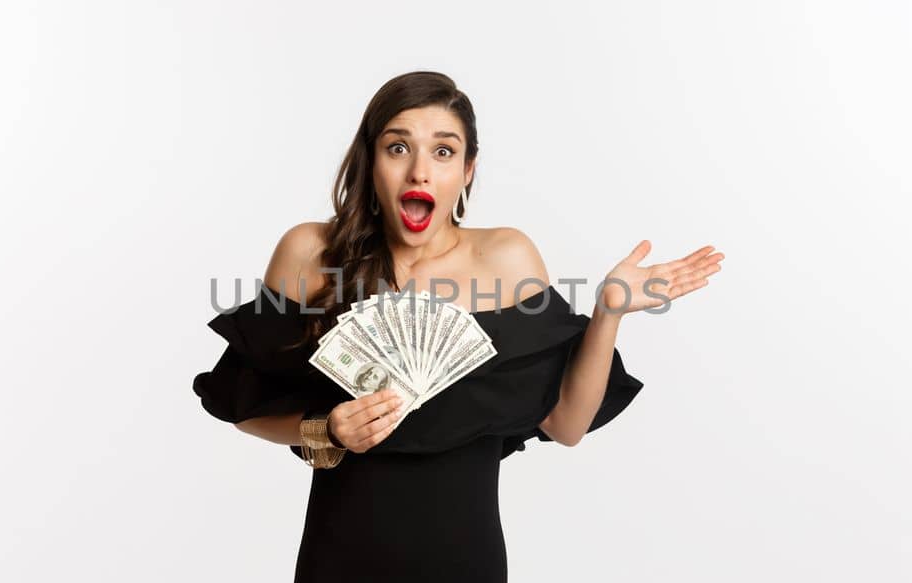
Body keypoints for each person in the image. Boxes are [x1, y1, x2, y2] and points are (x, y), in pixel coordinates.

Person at [192, 71, 724, 582]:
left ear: (467, 170)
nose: (419, 172)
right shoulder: (308, 253)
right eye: (398, 147)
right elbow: (247, 409)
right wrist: (327, 430)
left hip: (464, 557)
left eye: (443, 151)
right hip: (340, 556)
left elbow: (566, 426)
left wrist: (608, 312)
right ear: (370, 160)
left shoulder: (507, 258)